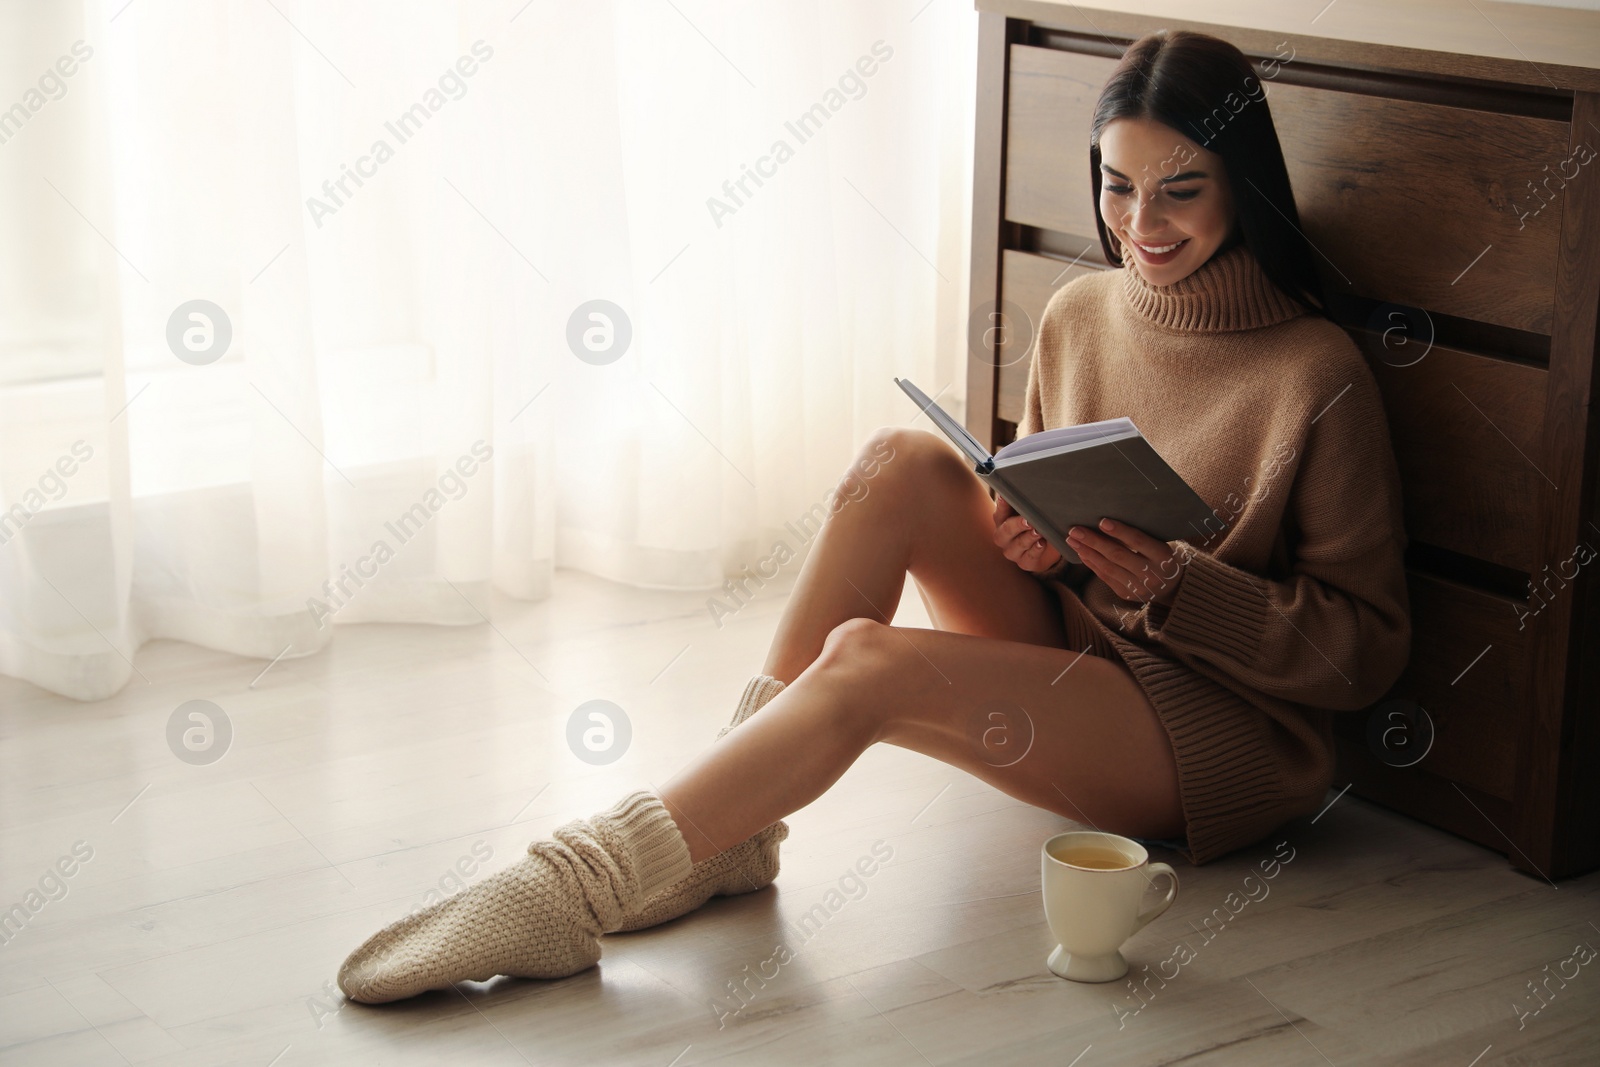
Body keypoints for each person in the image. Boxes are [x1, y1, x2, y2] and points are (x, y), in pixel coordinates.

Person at [336, 28, 1411, 1004]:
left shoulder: (1316, 373)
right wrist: (1034, 541)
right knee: (896, 461)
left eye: (1179, 190)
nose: (1140, 225)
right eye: (1117, 188)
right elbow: (1052, 521)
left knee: (870, 661)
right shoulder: (1083, 311)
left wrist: (1178, 586)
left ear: (1243, 184)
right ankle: (731, 827)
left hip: (1211, 734)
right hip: (1087, 654)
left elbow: (1364, 654)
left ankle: (580, 884)